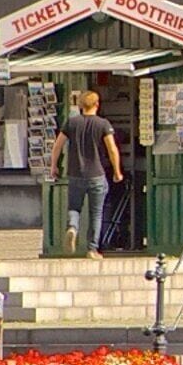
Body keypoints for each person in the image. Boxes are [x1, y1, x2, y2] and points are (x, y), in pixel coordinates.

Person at [57, 90, 120, 255]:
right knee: (96, 213)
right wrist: (117, 171)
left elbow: (58, 145)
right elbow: (112, 149)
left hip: (75, 173)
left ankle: (72, 227)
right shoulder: (103, 124)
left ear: (80, 105)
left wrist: (53, 166)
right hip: (97, 174)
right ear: (97, 104)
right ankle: (92, 249)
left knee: (74, 207)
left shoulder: (71, 123)